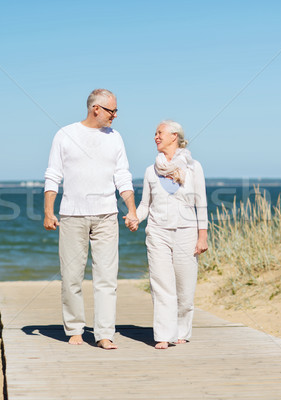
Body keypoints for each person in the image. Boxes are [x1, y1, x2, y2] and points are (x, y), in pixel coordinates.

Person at [43, 89, 138, 350]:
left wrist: (132, 209)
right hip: (72, 215)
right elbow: (53, 175)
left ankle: (104, 333)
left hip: (107, 215)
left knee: (107, 278)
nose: (115, 116)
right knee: (72, 276)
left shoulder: (115, 138)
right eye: (112, 111)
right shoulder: (65, 134)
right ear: (96, 108)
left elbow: (123, 176)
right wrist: (48, 211)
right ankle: (74, 329)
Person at [136, 120, 208, 349]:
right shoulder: (150, 171)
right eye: (155, 133)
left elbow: (202, 204)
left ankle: (182, 330)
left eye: (159, 133)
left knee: (185, 291)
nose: (155, 137)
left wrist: (202, 236)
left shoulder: (194, 167)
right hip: (157, 233)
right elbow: (144, 205)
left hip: (186, 233)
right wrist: (134, 218)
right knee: (161, 286)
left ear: (174, 136)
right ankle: (163, 335)